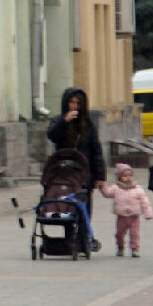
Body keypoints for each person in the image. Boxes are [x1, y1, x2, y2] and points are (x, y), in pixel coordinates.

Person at [47, 87, 107, 250]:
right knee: (67, 206)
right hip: (65, 172)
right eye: (72, 102)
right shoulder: (59, 121)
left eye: (78, 103)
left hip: (84, 172)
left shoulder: (88, 124)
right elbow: (51, 135)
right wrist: (64, 121)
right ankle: (70, 239)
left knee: (84, 206)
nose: (74, 106)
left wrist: (100, 175)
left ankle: (83, 239)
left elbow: (96, 149)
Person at [98, 163, 153, 258]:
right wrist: (102, 187)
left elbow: (145, 202)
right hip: (121, 217)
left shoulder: (137, 189)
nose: (128, 178)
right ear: (119, 177)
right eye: (125, 176)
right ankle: (120, 246)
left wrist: (148, 213)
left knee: (134, 233)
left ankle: (134, 248)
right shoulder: (116, 188)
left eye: (130, 175)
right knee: (119, 233)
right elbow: (108, 193)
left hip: (134, 216)